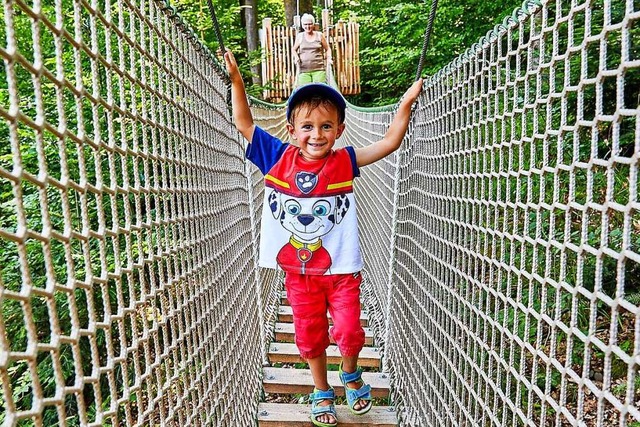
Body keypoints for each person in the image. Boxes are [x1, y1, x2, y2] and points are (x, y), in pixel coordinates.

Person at [223, 49, 422, 427]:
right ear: (292, 130)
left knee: (349, 331)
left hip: (343, 269)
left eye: (327, 126)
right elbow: (243, 121)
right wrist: (236, 81)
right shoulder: (276, 157)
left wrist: (406, 103)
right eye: (308, 126)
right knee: (310, 336)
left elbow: (389, 142)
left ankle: (350, 373)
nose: (317, 134)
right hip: (299, 274)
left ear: (340, 129)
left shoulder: (343, 161)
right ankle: (321, 390)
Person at [293, 13, 332, 85]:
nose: (308, 26)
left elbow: (328, 49)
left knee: (319, 91)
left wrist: (329, 58)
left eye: (310, 24)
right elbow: (293, 49)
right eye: (305, 24)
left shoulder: (319, 35)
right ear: (302, 25)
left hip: (319, 70)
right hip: (304, 71)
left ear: (313, 24)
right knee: (305, 92)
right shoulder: (300, 36)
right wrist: (296, 57)